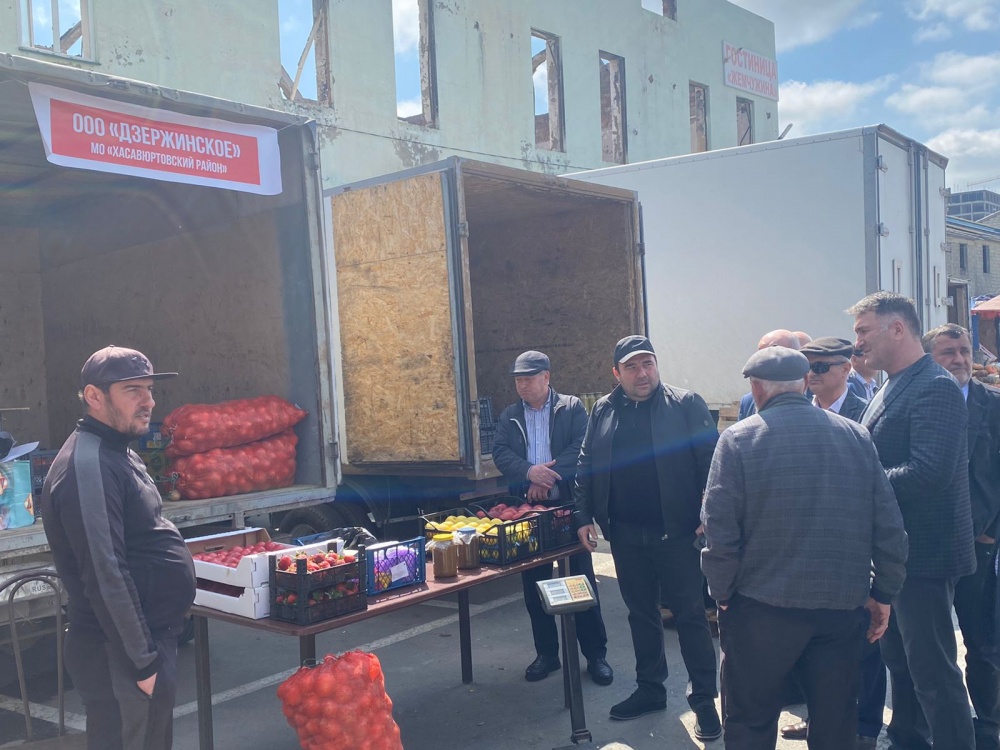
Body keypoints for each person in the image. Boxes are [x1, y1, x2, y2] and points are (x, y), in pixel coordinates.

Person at [701, 346, 907, 750]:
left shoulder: (738, 440)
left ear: (757, 389)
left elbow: (719, 531)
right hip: (839, 609)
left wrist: (721, 593)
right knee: (835, 723)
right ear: (804, 383)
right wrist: (883, 592)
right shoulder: (855, 436)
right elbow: (889, 527)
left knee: (750, 720)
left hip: (761, 609)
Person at [40, 346, 195, 750]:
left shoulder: (117, 451)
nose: (148, 401)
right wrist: (143, 662)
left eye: (149, 389)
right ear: (94, 396)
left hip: (139, 644)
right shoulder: (88, 465)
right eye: (132, 390)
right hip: (119, 655)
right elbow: (105, 570)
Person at [574, 335, 722, 740]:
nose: (643, 374)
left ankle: (704, 701)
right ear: (616, 373)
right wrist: (582, 515)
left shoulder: (685, 404)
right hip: (624, 534)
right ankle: (651, 690)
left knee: (690, 616)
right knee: (641, 614)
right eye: (632, 367)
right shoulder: (603, 409)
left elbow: (713, 463)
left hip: (677, 534)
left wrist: (709, 514)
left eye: (648, 364)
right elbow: (586, 463)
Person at [850, 292, 977, 749]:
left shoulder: (934, 386)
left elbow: (929, 473)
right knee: (901, 664)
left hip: (925, 555)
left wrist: (856, 482)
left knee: (932, 672)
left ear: (897, 328)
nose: (858, 342)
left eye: (864, 330)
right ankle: (907, 739)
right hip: (898, 555)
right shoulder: (894, 382)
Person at [782, 337, 887, 748]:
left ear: (847, 369)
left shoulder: (868, 415)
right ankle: (820, 720)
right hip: (807, 552)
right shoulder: (797, 412)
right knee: (817, 652)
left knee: (867, 649)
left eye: (821, 367)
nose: (811, 374)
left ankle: (865, 728)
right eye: (807, 366)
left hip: (855, 551)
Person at [491, 350, 612, 686]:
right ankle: (547, 654)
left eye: (529, 379)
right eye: (518, 380)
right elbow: (501, 452)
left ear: (546, 377)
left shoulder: (570, 408)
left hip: (569, 508)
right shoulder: (510, 415)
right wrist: (529, 472)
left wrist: (546, 476)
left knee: (580, 582)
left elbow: (582, 448)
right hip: (528, 509)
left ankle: (596, 655)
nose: (522, 386)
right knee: (534, 586)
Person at [924, 323, 1000, 750]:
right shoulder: (922, 403)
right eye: (948, 352)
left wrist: (991, 533)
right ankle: (938, 725)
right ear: (929, 359)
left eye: (965, 350)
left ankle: (987, 724)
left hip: (979, 547)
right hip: (930, 549)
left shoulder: (994, 406)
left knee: (983, 642)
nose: (960, 359)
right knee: (931, 647)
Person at [737, 329, 803, 421]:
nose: (766, 358)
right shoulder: (748, 402)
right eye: (761, 354)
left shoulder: (817, 399)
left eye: (776, 353)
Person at [801, 337, 868, 420]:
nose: (811, 374)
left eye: (819, 367)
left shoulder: (865, 413)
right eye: (808, 367)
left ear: (845, 369)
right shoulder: (800, 412)